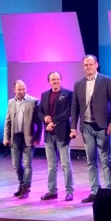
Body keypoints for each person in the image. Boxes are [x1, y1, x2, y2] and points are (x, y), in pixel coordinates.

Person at [69, 54, 111, 203]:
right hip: (86, 127)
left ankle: (110, 190)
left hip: (103, 126)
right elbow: (74, 107)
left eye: (91, 64)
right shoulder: (78, 84)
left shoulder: (106, 80)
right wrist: (73, 127)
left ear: (96, 65)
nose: (88, 67)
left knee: (106, 159)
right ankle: (94, 191)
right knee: (91, 160)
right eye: (86, 65)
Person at [38, 71, 75, 201]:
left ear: (61, 80)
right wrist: (44, 118)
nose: (56, 81)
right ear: (49, 81)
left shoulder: (68, 94)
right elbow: (39, 111)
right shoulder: (44, 95)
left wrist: (53, 121)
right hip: (49, 134)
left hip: (62, 133)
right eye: (53, 79)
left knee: (66, 164)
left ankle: (69, 191)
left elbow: (68, 112)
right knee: (51, 165)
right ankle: (52, 191)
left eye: (58, 79)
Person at [2, 80, 41, 198]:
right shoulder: (11, 102)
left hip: (28, 137)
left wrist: (37, 137)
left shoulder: (33, 101)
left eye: (23, 89)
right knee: (16, 164)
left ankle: (26, 187)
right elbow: (8, 121)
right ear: (14, 90)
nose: (22, 91)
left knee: (27, 164)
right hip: (15, 137)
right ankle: (21, 183)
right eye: (19, 89)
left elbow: (39, 123)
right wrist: (6, 137)